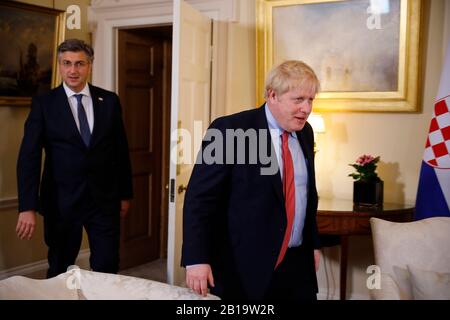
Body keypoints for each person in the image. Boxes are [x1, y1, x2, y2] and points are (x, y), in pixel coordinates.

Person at [182, 60, 321, 300]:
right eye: (298, 100)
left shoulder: (305, 132)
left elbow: (306, 194)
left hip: (297, 263)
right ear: (272, 95)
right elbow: (200, 200)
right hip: (244, 267)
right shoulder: (230, 130)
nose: (306, 109)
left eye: (311, 100)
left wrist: (312, 243)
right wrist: (197, 258)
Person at [16, 39, 133, 278]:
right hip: (61, 203)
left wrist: (124, 194)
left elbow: (120, 151)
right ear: (60, 65)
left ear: (89, 65)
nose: (73, 70)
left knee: (107, 264)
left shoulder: (109, 101)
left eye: (79, 63)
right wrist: (27, 206)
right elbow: (29, 156)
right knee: (61, 267)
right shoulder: (44, 104)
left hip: (104, 201)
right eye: (67, 63)